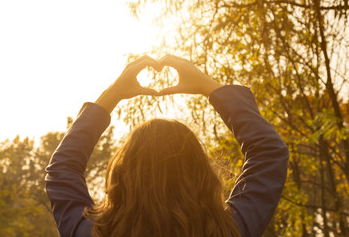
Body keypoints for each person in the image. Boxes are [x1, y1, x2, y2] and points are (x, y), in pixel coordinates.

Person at [45, 55, 289, 237]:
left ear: (122, 175)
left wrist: (112, 95)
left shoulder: (91, 232)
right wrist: (207, 86)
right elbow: (269, 153)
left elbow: (62, 170)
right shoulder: (228, 230)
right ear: (200, 174)